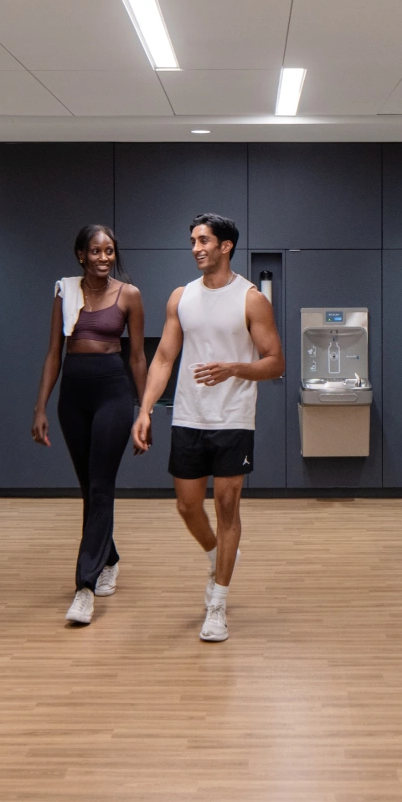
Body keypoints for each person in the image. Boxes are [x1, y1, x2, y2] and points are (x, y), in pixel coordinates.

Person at [131, 214, 284, 642]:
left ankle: (217, 603)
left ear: (226, 246)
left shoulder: (251, 299)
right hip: (188, 416)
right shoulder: (181, 297)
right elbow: (163, 358)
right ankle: (217, 555)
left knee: (228, 507)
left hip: (233, 418)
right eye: (194, 240)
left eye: (204, 240)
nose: (197, 247)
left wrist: (234, 367)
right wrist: (144, 410)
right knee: (186, 506)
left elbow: (276, 362)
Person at [33, 225, 146, 625]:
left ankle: (85, 586)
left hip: (113, 393)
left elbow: (137, 358)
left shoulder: (128, 295)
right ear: (81, 254)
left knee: (101, 486)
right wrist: (40, 408)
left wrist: (144, 409)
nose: (103, 258)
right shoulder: (65, 293)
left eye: (110, 251)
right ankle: (110, 557)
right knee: (89, 488)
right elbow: (53, 354)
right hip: (73, 398)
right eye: (96, 251)